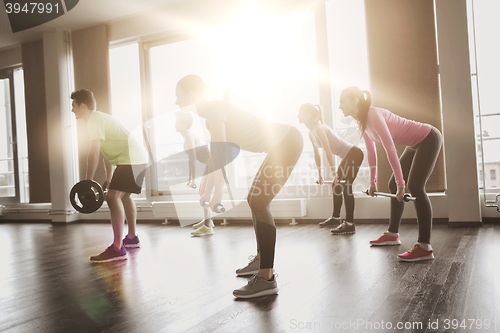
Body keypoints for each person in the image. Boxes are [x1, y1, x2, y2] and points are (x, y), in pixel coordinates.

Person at [175, 75, 303, 298]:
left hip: (287, 141)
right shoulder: (210, 113)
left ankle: (266, 278)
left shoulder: (213, 110)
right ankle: (261, 261)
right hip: (282, 143)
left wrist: (217, 193)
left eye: (178, 95)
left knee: (259, 202)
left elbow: (221, 153)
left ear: (190, 94)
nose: (176, 102)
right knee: (254, 200)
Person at [340, 86, 442, 261]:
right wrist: (372, 183)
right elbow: (372, 154)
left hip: (428, 137)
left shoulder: (372, 114)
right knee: (392, 184)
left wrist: (403, 186)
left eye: (342, 101)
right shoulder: (362, 122)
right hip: (415, 144)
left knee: (416, 186)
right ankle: (393, 234)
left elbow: (390, 149)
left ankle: (425, 246)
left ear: (355, 101)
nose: (340, 106)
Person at [71, 89, 149, 263]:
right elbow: (108, 155)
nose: (72, 109)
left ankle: (117, 248)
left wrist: (87, 182)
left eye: (73, 105)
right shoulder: (100, 118)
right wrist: (110, 178)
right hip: (138, 158)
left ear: (82, 106)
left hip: (131, 159)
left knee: (112, 197)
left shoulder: (94, 120)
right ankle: (131, 238)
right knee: (125, 196)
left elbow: (94, 154)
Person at [298, 103, 364, 234]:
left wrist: (334, 174)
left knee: (345, 186)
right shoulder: (311, 133)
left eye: (301, 112)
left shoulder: (319, 128)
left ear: (309, 115)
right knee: (337, 186)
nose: (298, 115)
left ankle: (350, 223)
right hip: (347, 156)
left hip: (354, 154)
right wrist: (319, 175)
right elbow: (317, 155)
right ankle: (336, 217)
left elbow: (327, 152)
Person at [174, 111, 214, 236]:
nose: (175, 124)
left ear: (184, 124)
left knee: (203, 192)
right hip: (210, 163)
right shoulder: (187, 136)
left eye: (177, 122)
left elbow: (192, 158)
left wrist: (192, 179)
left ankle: (207, 226)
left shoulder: (188, 136)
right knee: (202, 192)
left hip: (212, 163)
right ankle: (208, 221)